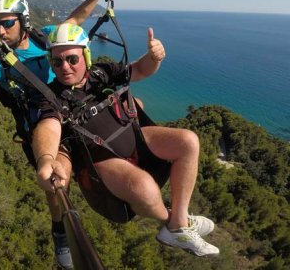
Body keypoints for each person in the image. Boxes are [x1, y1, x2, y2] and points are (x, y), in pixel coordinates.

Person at [31, 23, 220, 257]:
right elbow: (48, 126)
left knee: (188, 141)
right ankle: (173, 224)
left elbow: (140, 70)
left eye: (71, 59)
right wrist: (46, 158)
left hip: (134, 135)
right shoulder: (52, 97)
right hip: (102, 157)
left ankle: (179, 221)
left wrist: (154, 57)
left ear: (86, 56)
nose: (65, 67)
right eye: (57, 62)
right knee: (143, 188)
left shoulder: (102, 72)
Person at [0, 0, 109, 269]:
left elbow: (74, 22)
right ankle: (60, 233)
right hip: (37, 125)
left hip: (70, 111)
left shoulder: (42, 37)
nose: (0, 29)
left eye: (7, 23)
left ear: (23, 22)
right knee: (54, 184)